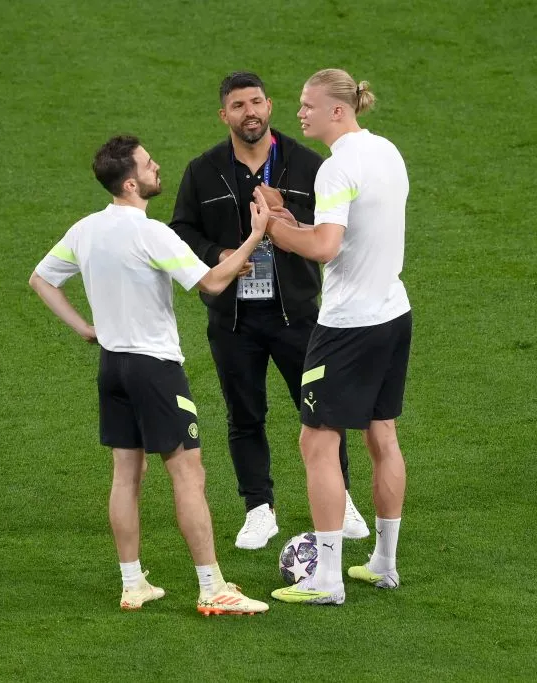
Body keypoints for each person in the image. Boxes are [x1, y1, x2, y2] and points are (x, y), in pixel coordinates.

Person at [29, 134, 272, 615]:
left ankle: (133, 583)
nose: (156, 166)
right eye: (147, 164)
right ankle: (212, 587)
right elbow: (210, 282)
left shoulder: (85, 230)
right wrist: (255, 236)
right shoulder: (151, 232)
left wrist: (85, 329)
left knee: (126, 476)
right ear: (129, 182)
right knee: (188, 474)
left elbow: (41, 279)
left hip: (113, 366)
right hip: (155, 370)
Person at [170, 71, 369, 550]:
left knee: (324, 414)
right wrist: (218, 256)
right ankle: (259, 509)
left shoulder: (308, 166)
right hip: (233, 319)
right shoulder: (203, 171)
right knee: (245, 415)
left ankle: (340, 501)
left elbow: (330, 230)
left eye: (256, 102)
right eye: (238, 106)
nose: (250, 112)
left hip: (297, 314)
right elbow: (181, 230)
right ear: (225, 116)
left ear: (270, 105)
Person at [266, 69, 412, 606]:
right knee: (382, 434)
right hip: (394, 311)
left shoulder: (335, 168)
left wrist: (271, 225)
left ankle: (326, 579)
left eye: (308, 104)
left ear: (337, 110)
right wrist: (290, 218)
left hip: (349, 325)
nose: (299, 113)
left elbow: (326, 247)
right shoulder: (386, 151)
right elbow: (352, 234)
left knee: (317, 441)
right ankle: (384, 564)